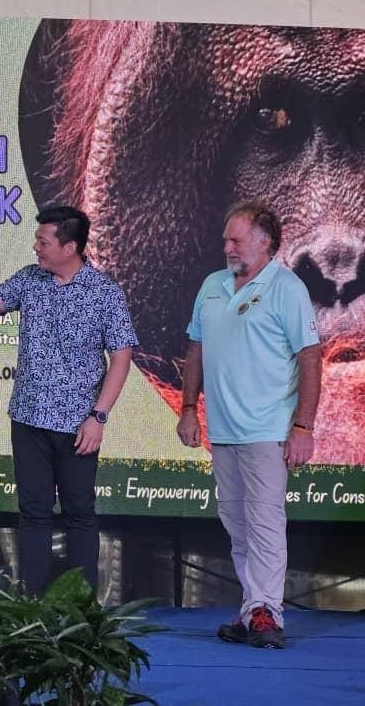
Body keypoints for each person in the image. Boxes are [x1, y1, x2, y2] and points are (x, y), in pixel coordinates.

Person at [0, 206, 138, 595]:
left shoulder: (104, 293)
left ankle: (79, 604)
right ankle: (30, 599)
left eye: (43, 241)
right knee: (33, 513)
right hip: (29, 418)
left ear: (70, 246)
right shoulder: (31, 281)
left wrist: (98, 417)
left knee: (80, 513)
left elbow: (121, 357)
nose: (36, 247)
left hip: (78, 424)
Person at [176, 201, 321, 649]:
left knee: (264, 522)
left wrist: (303, 427)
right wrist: (186, 408)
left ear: (265, 243)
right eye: (226, 238)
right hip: (222, 430)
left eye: (235, 239)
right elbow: (196, 349)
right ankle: (251, 608)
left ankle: (266, 612)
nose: (226, 247)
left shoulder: (287, 288)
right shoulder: (212, 286)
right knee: (237, 522)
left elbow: (310, 357)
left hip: (267, 429)